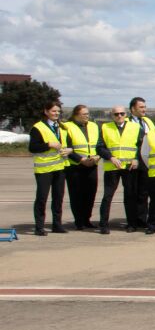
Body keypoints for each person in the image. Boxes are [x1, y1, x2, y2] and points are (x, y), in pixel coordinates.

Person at [97, 104, 143, 234]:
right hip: (112, 166)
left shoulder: (135, 127)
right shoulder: (105, 127)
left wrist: (136, 159)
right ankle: (103, 224)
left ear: (126, 114)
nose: (119, 116)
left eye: (122, 113)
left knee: (130, 196)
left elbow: (142, 146)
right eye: (116, 114)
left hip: (129, 167)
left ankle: (132, 224)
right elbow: (99, 147)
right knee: (107, 196)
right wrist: (110, 157)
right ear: (112, 115)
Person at [28, 101, 71, 236]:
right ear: (46, 112)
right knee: (42, 198)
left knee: (58, 197)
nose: (56, 113)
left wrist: (69, 150)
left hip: (60, 167)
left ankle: (57, 225)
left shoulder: (62, 127)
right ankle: (39, 227)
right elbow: (33, 148)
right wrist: (48, 144)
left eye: (58, 111)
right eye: (53, 111)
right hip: (44, 169)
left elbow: (69, 144)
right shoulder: (38, 128)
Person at [62, 104, 101, 230]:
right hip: (75, 166)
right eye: (84, 114)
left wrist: (97, 156)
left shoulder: (94, 126)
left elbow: (99, 144)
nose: (87, 116)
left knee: (91, 193)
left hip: (92, 164)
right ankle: (79, 221)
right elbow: (67, 148)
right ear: (76, 115)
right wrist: (81, 160)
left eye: (88, 114)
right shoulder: (67, 127)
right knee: (76, 194)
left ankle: (87, 219)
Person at [128, 96, 155, 231]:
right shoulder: (126, 122)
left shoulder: (148, 122)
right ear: (133, 109)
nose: (144, 109)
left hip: (146, 162)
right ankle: (132, 222)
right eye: (141, 107)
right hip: (132, 162)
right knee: (132, 193)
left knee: (144, 193)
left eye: (145, 107)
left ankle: (142, 219)